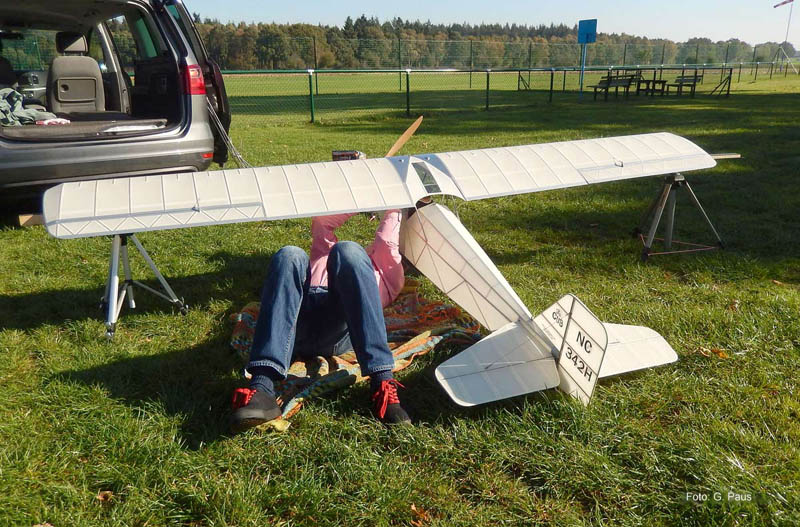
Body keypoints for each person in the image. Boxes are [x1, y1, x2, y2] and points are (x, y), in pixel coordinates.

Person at [230, 209, 411, 432]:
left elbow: (385, 240)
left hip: (337, 326)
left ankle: (382, 382)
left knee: (349, 250)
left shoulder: (388, 270)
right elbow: (321, 223)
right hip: (295, 324)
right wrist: (362, 200)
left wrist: (392, 205)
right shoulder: (327, 256)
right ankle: (262, 388)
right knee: (290, 254)